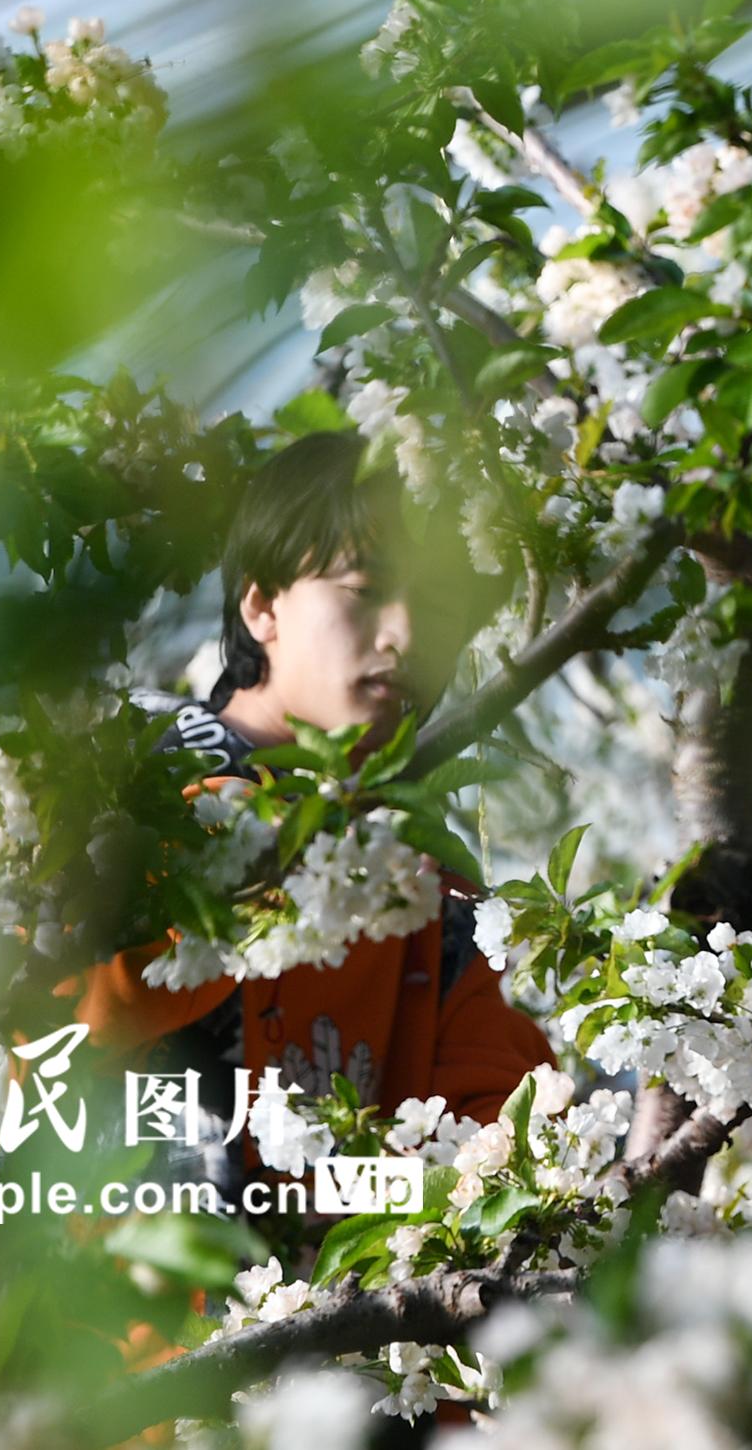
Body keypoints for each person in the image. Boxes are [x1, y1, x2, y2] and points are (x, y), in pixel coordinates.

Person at [56, 431, 553, 1207]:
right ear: (262, 603)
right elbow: (69, 1005)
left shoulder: (428, 895)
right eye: (366, 588)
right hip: (111, 1307)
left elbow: (492, 1127)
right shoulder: (137, 768)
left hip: (315, 1315)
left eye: (439, 605)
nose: (407, 635)